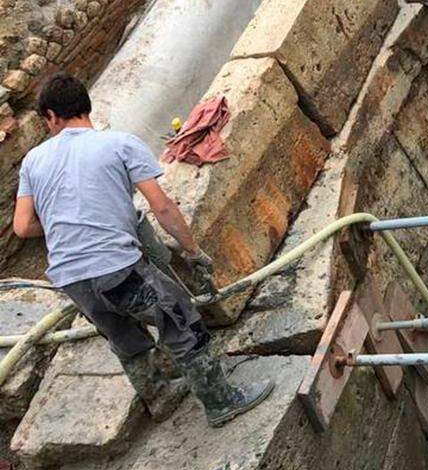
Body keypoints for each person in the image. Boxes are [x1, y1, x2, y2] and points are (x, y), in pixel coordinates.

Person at [13, 73, 273, 428]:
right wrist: (193, 251)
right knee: (180, 320)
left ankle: (160, 396)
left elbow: (22, 227)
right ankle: (221, 401)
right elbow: (161, 206)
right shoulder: (119, 144)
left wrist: (65, 219)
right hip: (116, 268)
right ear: (86, 106)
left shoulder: (32, 161)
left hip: (70, 279)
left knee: (122, 335)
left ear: (52, 116)